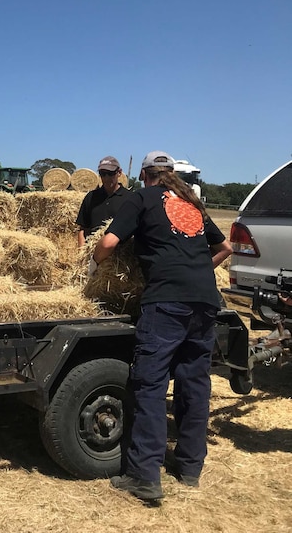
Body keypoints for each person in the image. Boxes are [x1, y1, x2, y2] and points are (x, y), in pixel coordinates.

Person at [91, 151, 232, 502]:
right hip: (205, 301)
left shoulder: (142, 197)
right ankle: (189, 468)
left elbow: (109, 242)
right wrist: (196, 270)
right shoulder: (190, 201)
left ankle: (144, 475)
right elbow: (225, 247)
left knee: (150, 385)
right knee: (194, 385)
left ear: (143, 175)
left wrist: (94, 264)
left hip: (166, 303)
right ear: (172, 174)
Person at [76, 156, 131, 247]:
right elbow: (83, 228)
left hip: (119, 255)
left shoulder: (129, 198)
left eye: (110, 173)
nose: (106, 178)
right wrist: (82, 252)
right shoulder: (91, 197)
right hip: (92, 252)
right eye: (102, 174)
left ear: (119, 172)